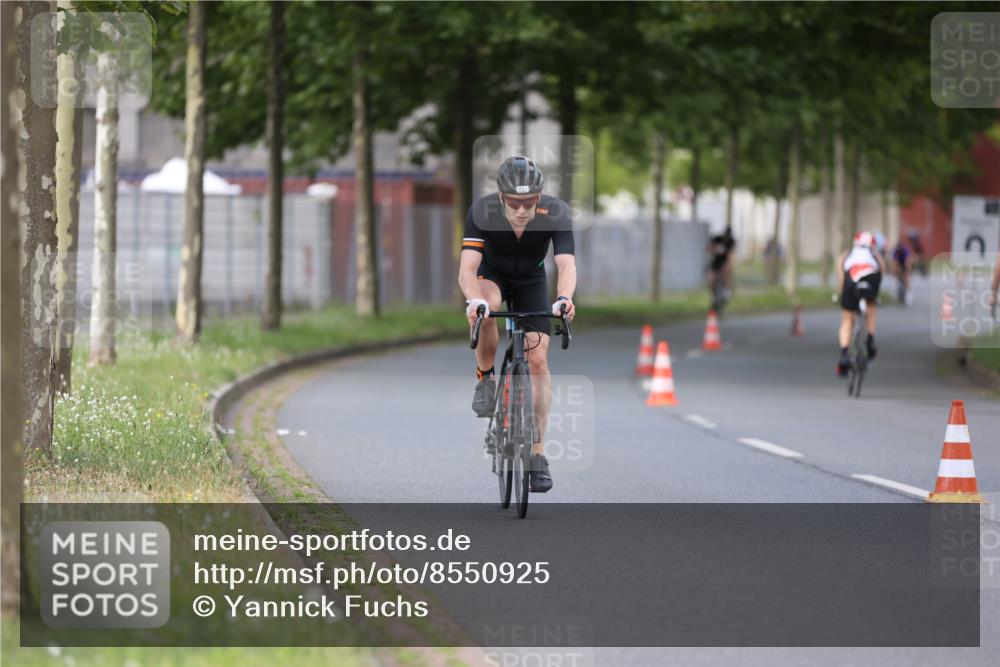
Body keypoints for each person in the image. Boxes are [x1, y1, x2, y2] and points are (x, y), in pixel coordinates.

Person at [458, 156, 577, 493]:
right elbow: (467, 268)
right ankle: (485, 377)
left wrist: (565, 298)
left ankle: (538, 453)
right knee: (489, 307)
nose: (523, 210)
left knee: (538, 360)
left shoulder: (555, 212)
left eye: (530, 202)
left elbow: (566, 264)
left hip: (531, 280)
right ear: (501, 198)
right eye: (515, 202)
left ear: (539, 198)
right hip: (491, 276)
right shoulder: (483, 212)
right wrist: (474, 298)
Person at [836, 231, 883, 377]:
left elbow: (841, 272)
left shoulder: (849, 254)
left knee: (847, 319)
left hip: (852, 281)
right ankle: (870, 339)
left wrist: (841, 293)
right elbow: (881, 269)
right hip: (871, 280)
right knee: (871, 306)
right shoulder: (874, 255)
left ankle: (844, 353)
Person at [707, 226, 736, 296]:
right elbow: (708, 248)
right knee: (711, 278)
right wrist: (716, 250)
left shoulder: (731, 241)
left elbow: (731, 255)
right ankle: (713, 294)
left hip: (725, 261)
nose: (726, 239)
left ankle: (727, 291)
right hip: (716, 261)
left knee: (726, 274)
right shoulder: (717, 239)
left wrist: (728, 265)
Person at [892, 238, 912, 303]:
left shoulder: (905, 250)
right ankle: (897, 286)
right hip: (899, 262)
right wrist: (895, 272)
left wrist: (907, 270)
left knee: (906, 277)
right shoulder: (896, 251)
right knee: (896, 271)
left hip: (904, 262)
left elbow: (907, 261)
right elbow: (894, 262)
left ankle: (908, 294)